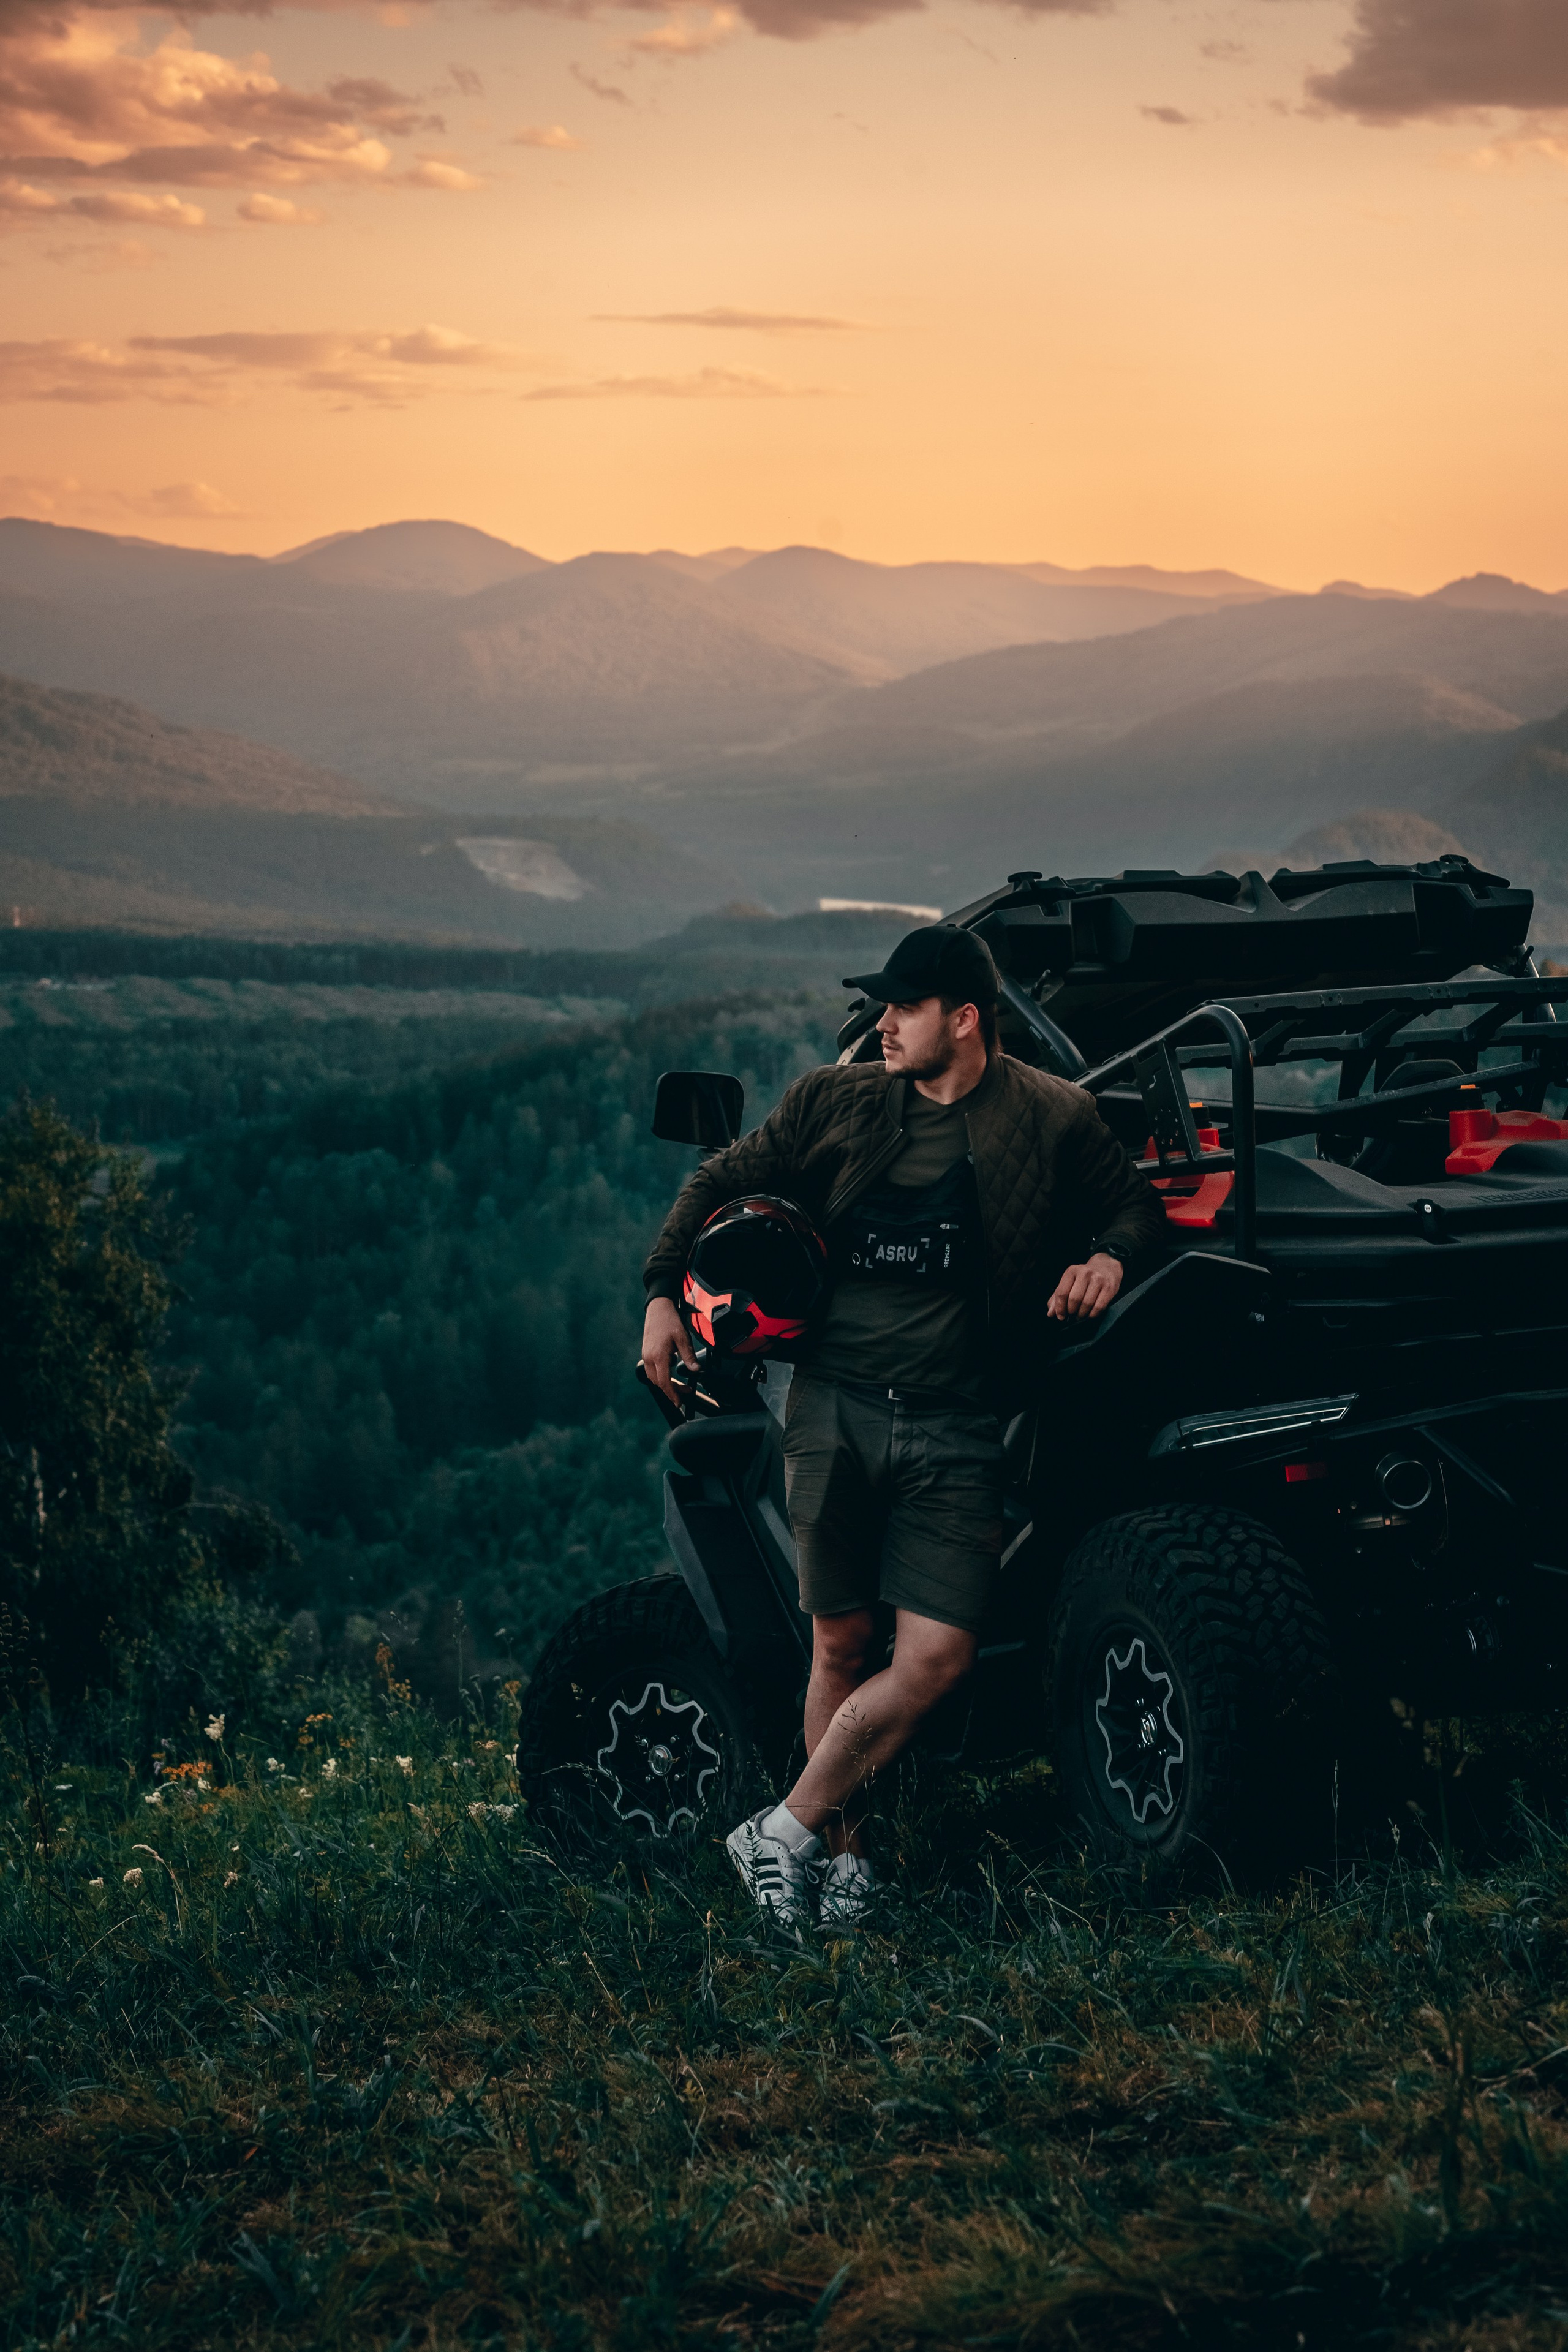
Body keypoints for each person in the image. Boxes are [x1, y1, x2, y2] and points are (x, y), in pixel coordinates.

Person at [640, 922, 1165, 1928]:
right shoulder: (832, 1103)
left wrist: (1109, 1258)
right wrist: (665, 1291)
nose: (883, 1023)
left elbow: (1131, 1207)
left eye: (904, 1007)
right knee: (838, 1646)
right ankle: (844, 1871)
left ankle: (777, 1831)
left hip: (956, 1423)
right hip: (830, 1408)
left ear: (964, 1021)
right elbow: (718, 1184)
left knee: (934, 1657)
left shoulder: (1052, 1117)